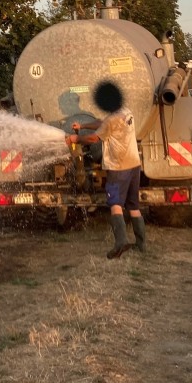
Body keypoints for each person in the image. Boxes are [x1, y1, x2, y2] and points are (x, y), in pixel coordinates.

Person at [82, 81, 144, 258]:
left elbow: (94, 139)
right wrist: (84, 126)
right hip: (134, 165)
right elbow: (103, 124)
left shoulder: (111, 120)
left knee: (115, 204)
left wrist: (74, 139)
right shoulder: (126, 112)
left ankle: (120, 243)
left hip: (118, 168)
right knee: (133, 206)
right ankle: (141, 245)